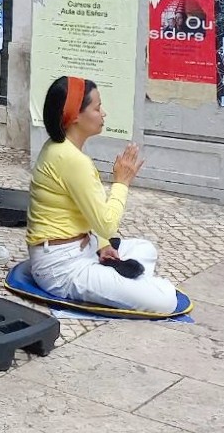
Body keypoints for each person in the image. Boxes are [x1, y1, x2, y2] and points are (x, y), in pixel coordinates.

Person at [24, 75, 179, 313]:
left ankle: (119, 281)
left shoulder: (63, 149)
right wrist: (122, 182)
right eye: (97, 108)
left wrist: (103, 245)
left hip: (84, 248)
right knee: (166, 299)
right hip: (62, 266)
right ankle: (128, 285)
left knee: (145, 248)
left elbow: (95, 222)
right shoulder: (71, 159)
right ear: (75, 116)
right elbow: (106, 224)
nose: (103, 113)